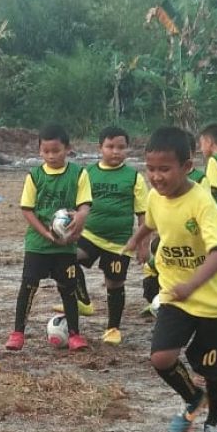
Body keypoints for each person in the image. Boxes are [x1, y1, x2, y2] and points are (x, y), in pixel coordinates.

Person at [123, 126, 217, 432]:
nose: (156, 177)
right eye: (150, 169)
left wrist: (192, 284)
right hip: (175, 295)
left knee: (213, 369)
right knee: (161, 358)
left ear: (187, 167)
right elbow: (152, 220)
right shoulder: (155, 197)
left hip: (214, 301)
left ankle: (216, 421)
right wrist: (137, 239)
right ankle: (192, 397)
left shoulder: (201, 202)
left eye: (164, 169)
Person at [54, 126, 148, 345]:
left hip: (119, 243)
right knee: (68, 259)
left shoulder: (134, 177)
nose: (115, 151)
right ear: (100, 148)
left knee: (114, 283)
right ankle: (83, 300)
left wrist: (143, 245)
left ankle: (113, 328)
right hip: (90, 235)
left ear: (127, 149)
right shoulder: (88, 173)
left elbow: (143, 214)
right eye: (110, 146)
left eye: (121, 147)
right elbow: (79, 203)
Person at [5, 123, 92, 351]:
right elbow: (27, 209)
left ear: (68, 149)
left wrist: (80, 218)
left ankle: (74, 334)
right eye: (46, 151)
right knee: (28, 287)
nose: (51, 156)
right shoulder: (34, 176)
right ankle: (17, 333)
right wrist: (46, 233)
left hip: (65, 246)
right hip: (38, 245)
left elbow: (84, 205)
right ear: (39, 151)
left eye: (56, 151)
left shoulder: (79, 174)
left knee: (68, 289)